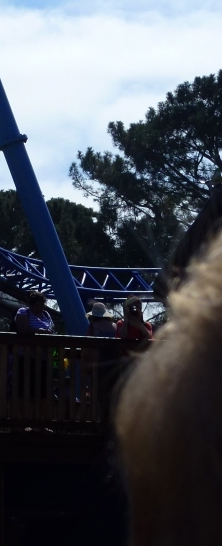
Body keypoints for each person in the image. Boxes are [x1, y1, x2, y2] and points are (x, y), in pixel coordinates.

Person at [115, 226, 222, 545]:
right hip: (133, 381)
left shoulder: (146, 325)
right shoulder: (124, 325)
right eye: (132, 309)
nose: (135, 312)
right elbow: (124, 341)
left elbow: (148, 339)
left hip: (149, 378)